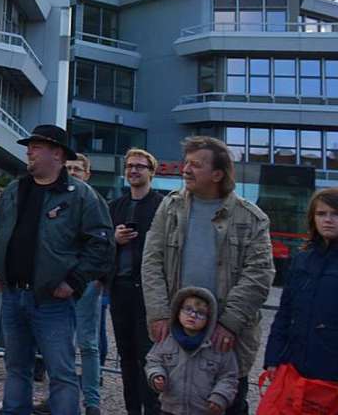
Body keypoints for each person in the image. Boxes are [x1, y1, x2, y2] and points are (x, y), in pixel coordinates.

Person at [0, 125, 114, 415]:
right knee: (17, 368)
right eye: (29, 146)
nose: (28, 151)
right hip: (13, 296)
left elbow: (101, 244)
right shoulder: (14, 190)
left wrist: (74, 281)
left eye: (36, 146)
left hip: (53, 303)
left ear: (57, 153)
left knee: (62, 373)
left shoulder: (81, 195)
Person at [142, 136, 274, 415]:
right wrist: (159, 313)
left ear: (217, 174)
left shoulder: (252, 218)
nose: (186, 170)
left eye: (196, 165)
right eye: (186, 163)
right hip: (176, 333)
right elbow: (152, 260)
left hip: (225, 338)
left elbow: (259, 274)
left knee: (226, 403)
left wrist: (229, 323)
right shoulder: (170, 207)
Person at [33, 153, 107, 415]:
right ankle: (57, 398)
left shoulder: (92, 200)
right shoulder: (54, 199)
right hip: (57, 283)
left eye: (78, 168)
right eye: (70, 167)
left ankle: (91, 402)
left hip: (85, 283)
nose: (73, 171)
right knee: (57, 344)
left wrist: (98, 278)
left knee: (87, 344)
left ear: (87, 174)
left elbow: (101, 242)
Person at [262, 187, 338, 399]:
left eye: (335, 213)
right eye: (321, 214)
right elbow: (284, 313)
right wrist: (273, 358)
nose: (328, 220)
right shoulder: (302, 260)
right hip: (296, 366)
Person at [108, 148, 164, 415]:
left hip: (149, 294)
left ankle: (153, 410)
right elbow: (98, 244)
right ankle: (132, 410)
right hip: (120, 291)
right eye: (130, 165)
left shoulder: (162, 206)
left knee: (149, 357)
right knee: (127, 359)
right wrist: (114, 241)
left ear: (151, 171)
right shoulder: (115, 206)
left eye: (140, 166)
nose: (133, 170)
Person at [145, 287, 239, 415]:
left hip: (205, 410)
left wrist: (220, 397)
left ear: (209, 318)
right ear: (178, 312)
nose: (193, 315)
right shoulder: (166, 340)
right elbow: (153, 360)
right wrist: (156, 375)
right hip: (170, 409)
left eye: (200, 313)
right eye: (188, 309)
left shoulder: (218, 345)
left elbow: (229, 376)